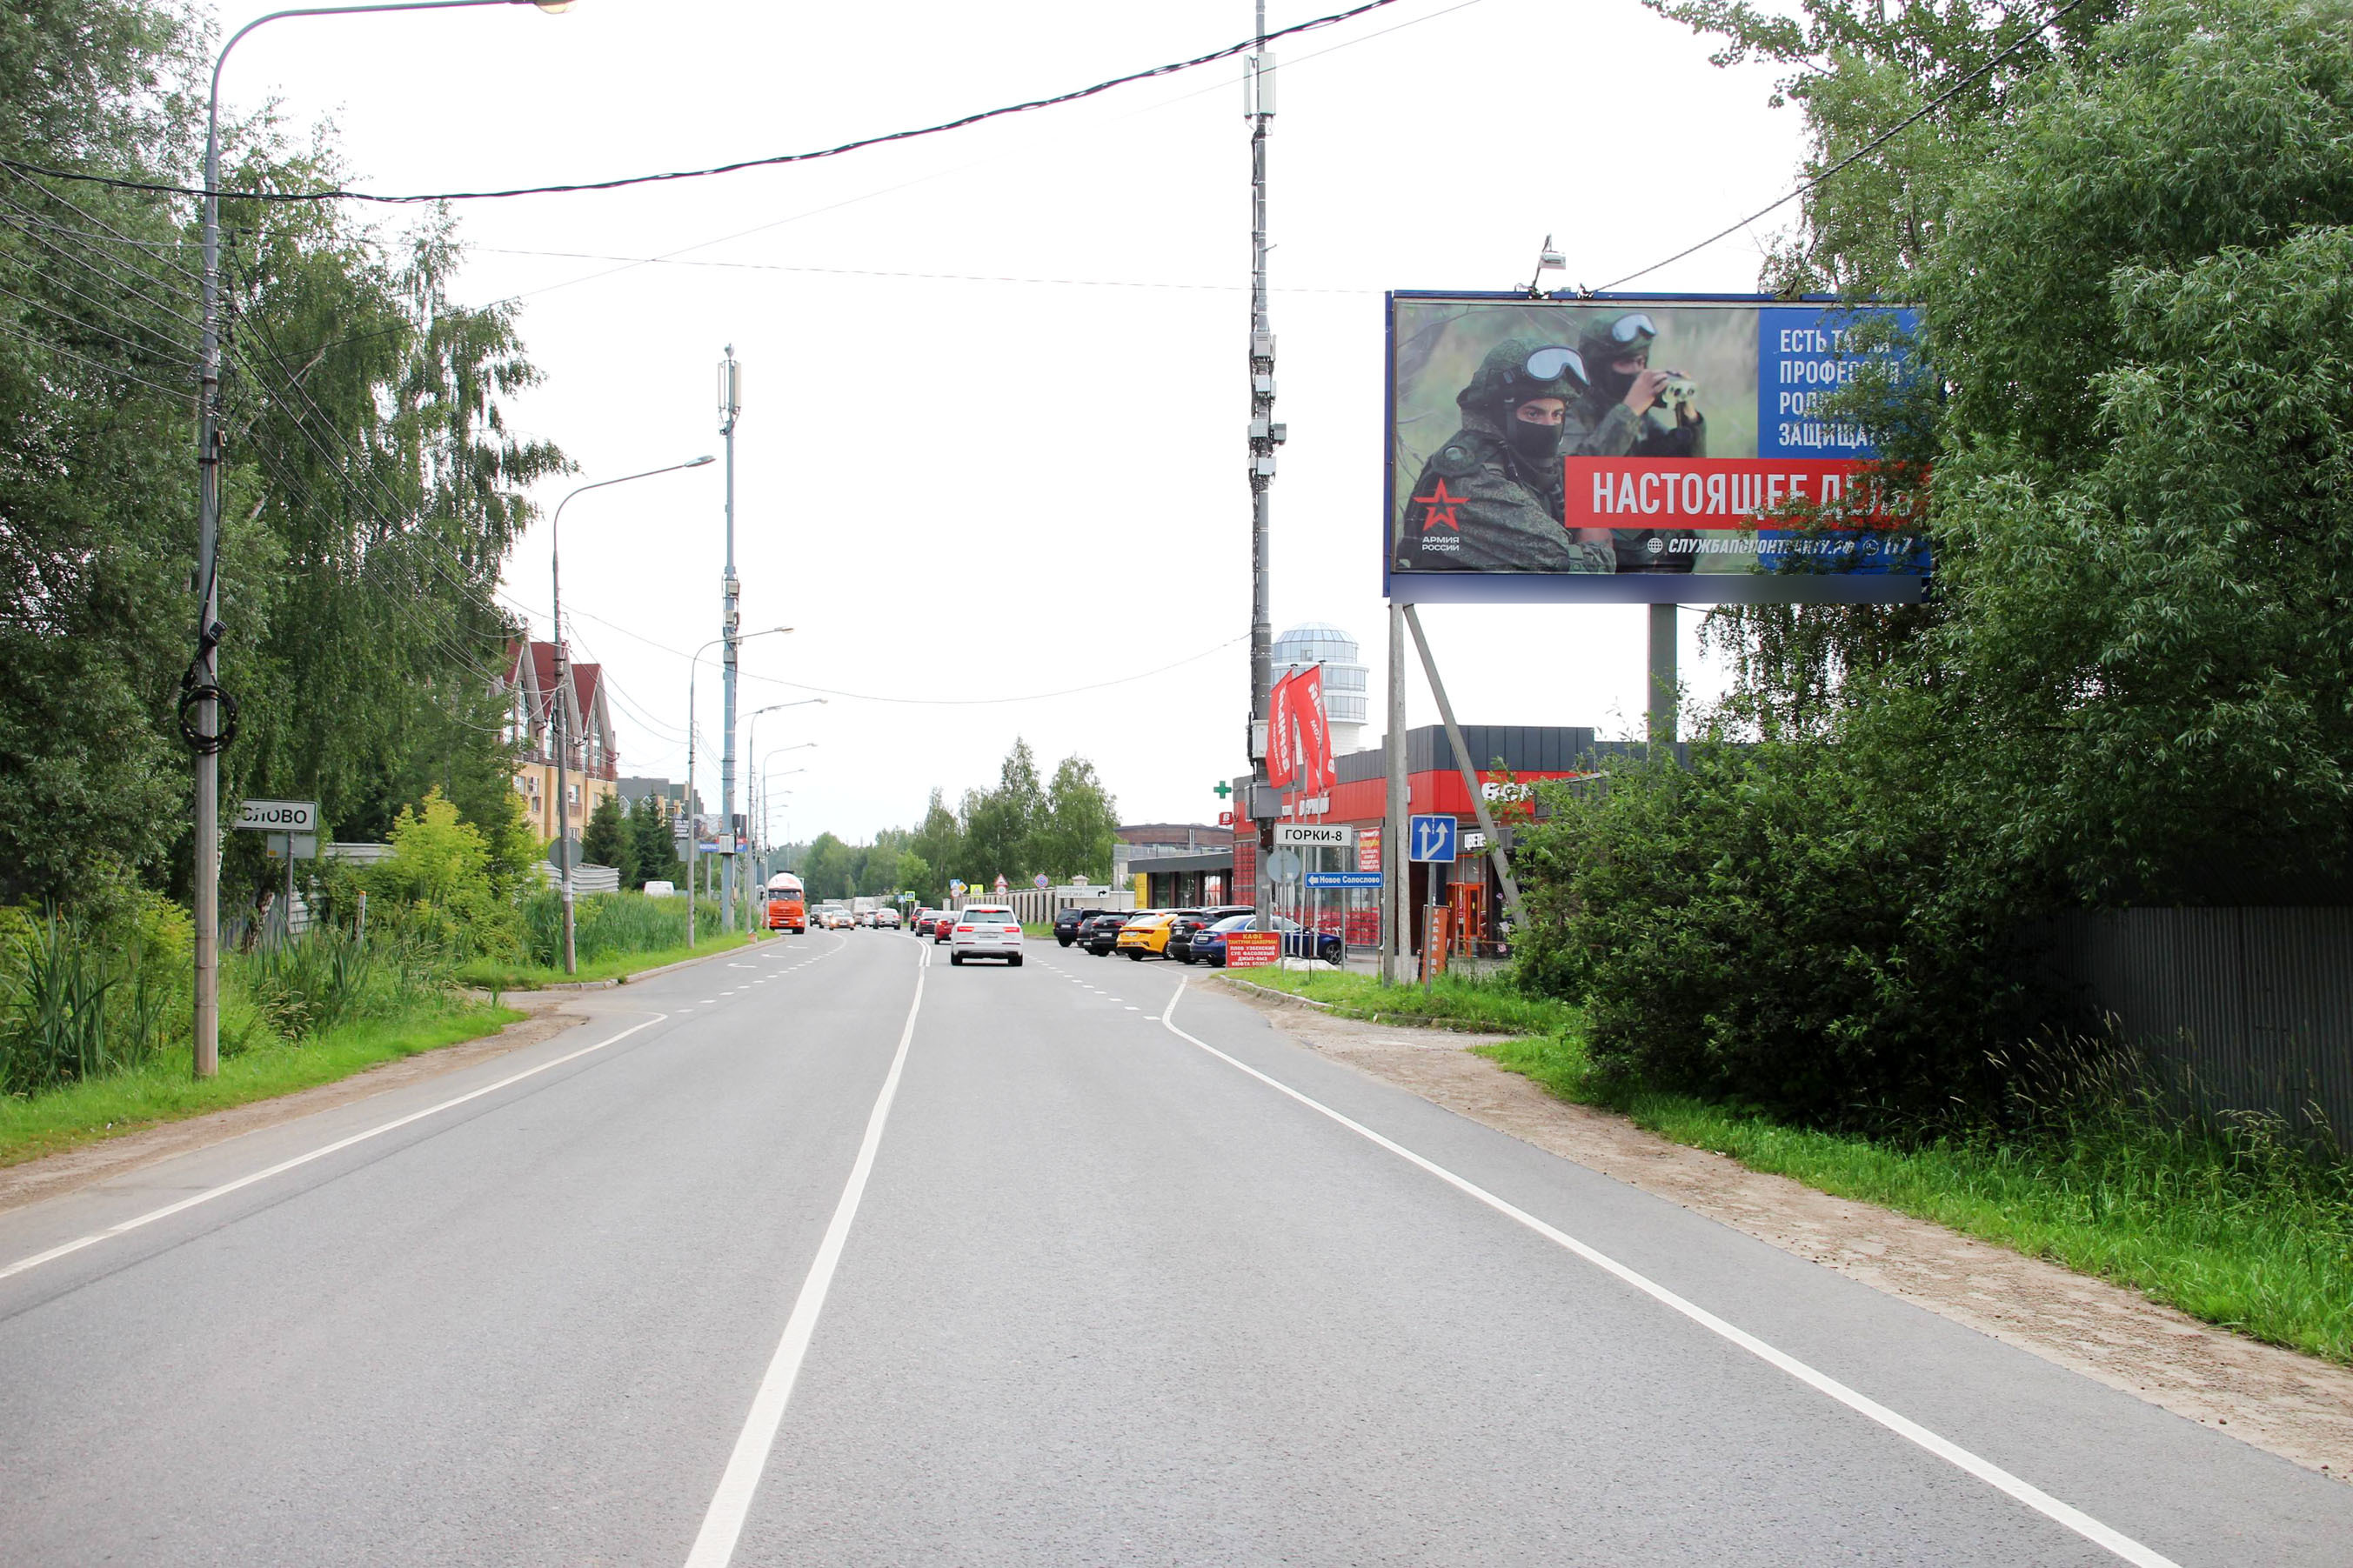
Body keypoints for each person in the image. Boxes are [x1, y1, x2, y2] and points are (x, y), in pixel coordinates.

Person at [1394, 337, 1615, 574]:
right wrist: (1602, 549)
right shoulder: (1473, 481)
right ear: (1499, 413)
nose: (1548, 425)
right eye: (1533, 413)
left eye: (1557, 414)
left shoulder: (1521, 461)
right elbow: (1579, 572)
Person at [1563, 311, 1705, 573]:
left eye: (1641, 361)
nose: (1638, 371)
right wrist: (1630, 409)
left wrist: (1689, 419)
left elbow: (1689, 476)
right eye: (1627, 363)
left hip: (1656, 559)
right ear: (1598, 365)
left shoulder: (1637, 414)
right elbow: (1575, 475)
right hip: (1602, 562)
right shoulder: (1570, 409)